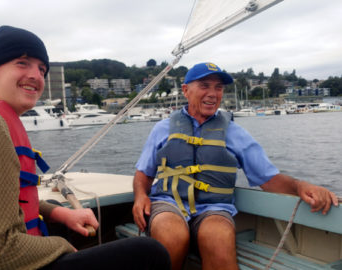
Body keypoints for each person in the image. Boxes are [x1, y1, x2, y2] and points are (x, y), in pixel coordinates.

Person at [0, 25, 170, 270]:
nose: (36, 76)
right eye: (22, 62)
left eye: (42, 69)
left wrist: (59, 212)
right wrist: (60, 246)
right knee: (148, 253)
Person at [132, 62, 339, 270]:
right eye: (205, 85)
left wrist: (301, 187)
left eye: (219, 88)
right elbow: (143, 173)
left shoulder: (235, 133)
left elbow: (269, 180)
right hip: (169, 204)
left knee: (219, 240)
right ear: (185, 90)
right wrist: (141, 196)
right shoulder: (162, 129)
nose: (213, 94)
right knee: (171, 234)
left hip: (213, 209)